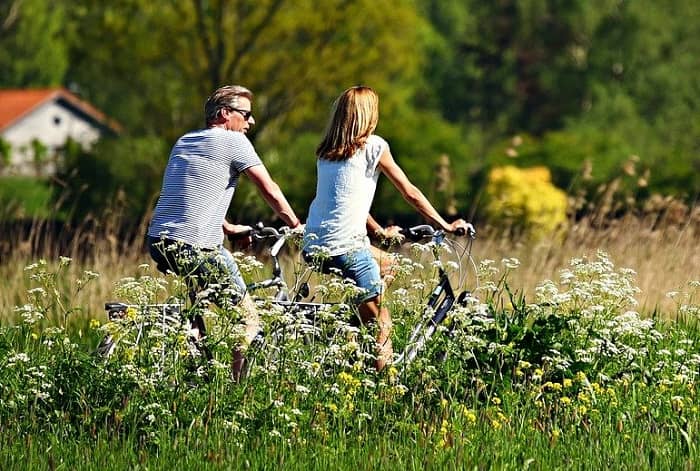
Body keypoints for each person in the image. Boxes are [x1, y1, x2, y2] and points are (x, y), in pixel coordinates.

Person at [303, 85, 473, 371]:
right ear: (369, 115)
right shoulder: (374, 146)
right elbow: (409, 192)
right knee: (383, 326)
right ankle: (386, 395)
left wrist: (378, 231)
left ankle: (355, 320)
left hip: (314, 244)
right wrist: (445, 224)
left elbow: (344, 200)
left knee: (389, 263)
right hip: (346, 247)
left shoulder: (326, 153)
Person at [147, 84, 302, 377]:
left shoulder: (184, 141)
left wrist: (228, 227)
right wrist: (295, 224)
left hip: (158, 240)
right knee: (247, 321)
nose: (251, 122)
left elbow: (191, 195)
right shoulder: (233, 142)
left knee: (197, 312)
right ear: (224, 114)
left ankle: (196, 370)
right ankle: (234, 393)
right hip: (195, 245)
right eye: (245, 114)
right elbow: (269, 188)